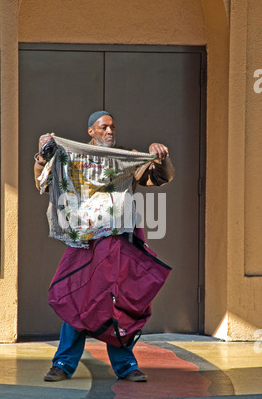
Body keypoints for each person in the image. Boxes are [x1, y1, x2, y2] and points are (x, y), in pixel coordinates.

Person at [34, 111, 174, 382]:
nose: (110, 131)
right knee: (77, 297)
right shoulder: (72, 156)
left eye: (112, 127)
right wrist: (42, 155)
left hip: (118, 239)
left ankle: (126, 366)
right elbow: (42, 178)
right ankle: (62, 364)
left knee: (118, 301)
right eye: (103, 127)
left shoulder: (125, 157)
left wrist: (161, 159)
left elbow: (157, 177)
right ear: (91, 132)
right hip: (84, 241)